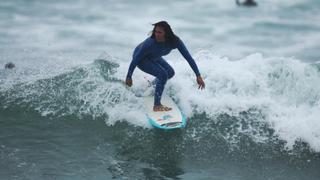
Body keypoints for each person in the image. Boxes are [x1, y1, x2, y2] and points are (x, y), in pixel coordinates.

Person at [125, 21, 205, 112]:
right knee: (163, 75)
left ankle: (152, 87)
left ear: (166, 33)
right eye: (155, 32)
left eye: (160, 32)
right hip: (141, 60)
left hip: (155, 57)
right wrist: (129, 76)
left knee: (170, 72)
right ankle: (157, 106)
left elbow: (188, 58)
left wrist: (198, 75)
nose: (156, 34)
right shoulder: (150, 43)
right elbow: (136, 59)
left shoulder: (175, 41)